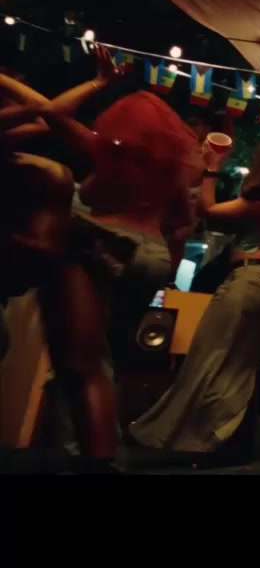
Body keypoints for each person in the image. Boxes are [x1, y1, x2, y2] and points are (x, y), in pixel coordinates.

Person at [44, 87, 201, 471]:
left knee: (85, 363)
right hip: (152, 258)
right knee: (111, 358)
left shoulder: (111, 151)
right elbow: (183, 221)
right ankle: (107, 453)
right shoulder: (171, 168)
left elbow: (53, 112)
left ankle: (89, 457)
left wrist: (98, 83)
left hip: (106, 247)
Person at [128, 140, 260, 462]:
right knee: (244, 364)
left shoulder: (258, 205)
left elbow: (206, 210)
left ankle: (210, 440)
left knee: (213, 357)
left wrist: (212, 168)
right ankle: (234, 442)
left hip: (247, 278)